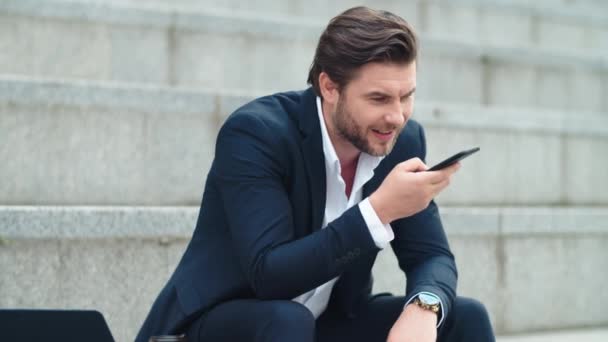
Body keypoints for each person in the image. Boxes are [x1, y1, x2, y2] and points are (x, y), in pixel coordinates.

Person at [136, 6, 495, 342]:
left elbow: (431, 255)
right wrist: (377, 211)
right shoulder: (257, 134)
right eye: (379, 99)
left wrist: (424, 306)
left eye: (406, 96)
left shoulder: (401, 140)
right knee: (286, 319)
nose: (397, 117)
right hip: (220, 322)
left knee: (464, 317)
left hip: (322, 323)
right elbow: (269, 274)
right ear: (329, 87)